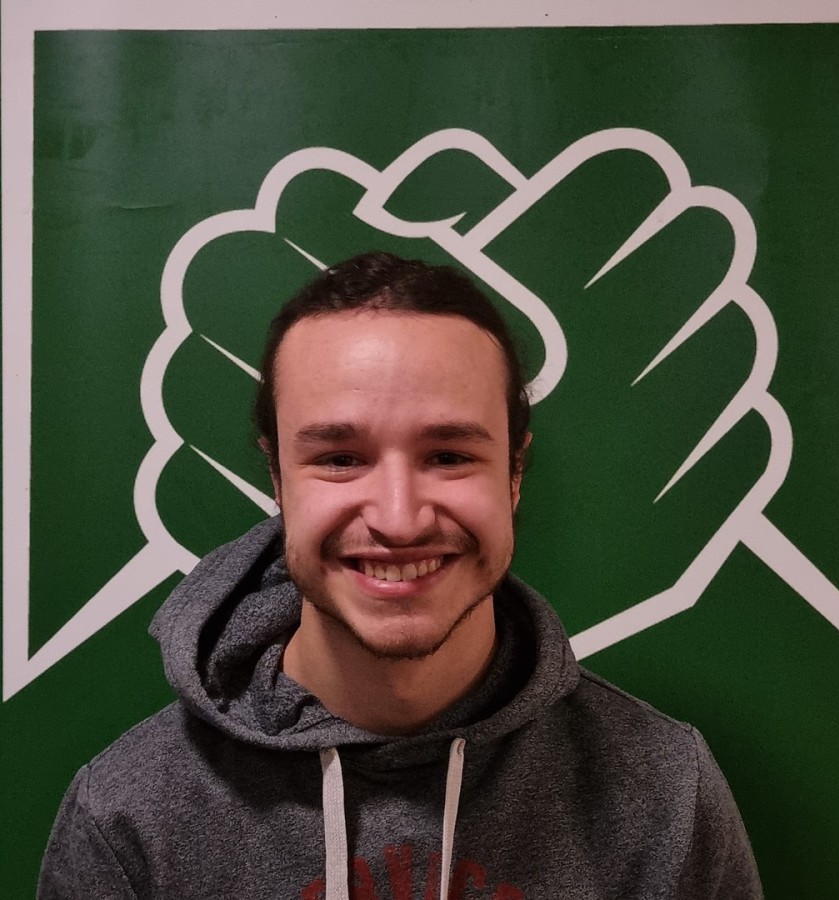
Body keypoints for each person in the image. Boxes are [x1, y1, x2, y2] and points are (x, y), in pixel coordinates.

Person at [39, 252, 763, 899]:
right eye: (339, 459)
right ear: (278, 479)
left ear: (514, 474)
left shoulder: (664, 792)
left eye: (449, 456)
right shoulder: (128, 819)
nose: (399, 518)